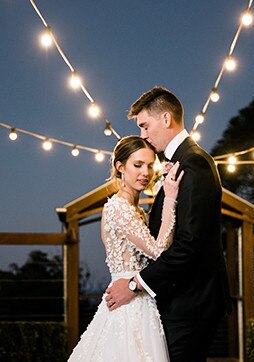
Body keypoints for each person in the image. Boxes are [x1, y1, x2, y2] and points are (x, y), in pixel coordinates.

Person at [105, 86, 231, 361]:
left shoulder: (193, 163)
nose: (143, 135)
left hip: (191, 305)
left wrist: (134, 285)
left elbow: (189, 245)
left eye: (144, 126)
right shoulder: (179, 163)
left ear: (165, 119)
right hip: (179, 302)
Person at [69, 135, 184, 361]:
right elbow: (159, 250)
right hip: (129, 304)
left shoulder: (136, 210)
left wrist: (161, 184)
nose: (145, 172)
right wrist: (170, 198)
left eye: (150, 165)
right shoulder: (118, 208)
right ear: (120, 167)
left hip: (139, 298)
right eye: (137, 165)